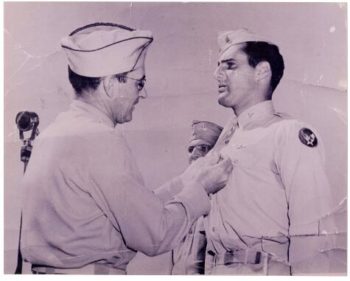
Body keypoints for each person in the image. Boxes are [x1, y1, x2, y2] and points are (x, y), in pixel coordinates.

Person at [19, 22, 233, 275]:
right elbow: (156, 235)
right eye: (139, 83)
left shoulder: (57, 133)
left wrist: (188, 179)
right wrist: (202, 188)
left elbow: (131, 209)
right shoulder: (99, 139)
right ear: (110, 84)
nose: (142, 95)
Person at [203, 28, 341, 275]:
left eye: (230, 65)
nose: (217, 74)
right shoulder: (225, 142)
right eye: (218, 66)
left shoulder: (289, 134)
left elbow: (313, 235)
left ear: (262, 72)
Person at [163, 120, 223, 274]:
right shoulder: (182, 200)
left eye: (203, 148)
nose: (194, 155)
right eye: (191, 149)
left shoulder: (222, 200)